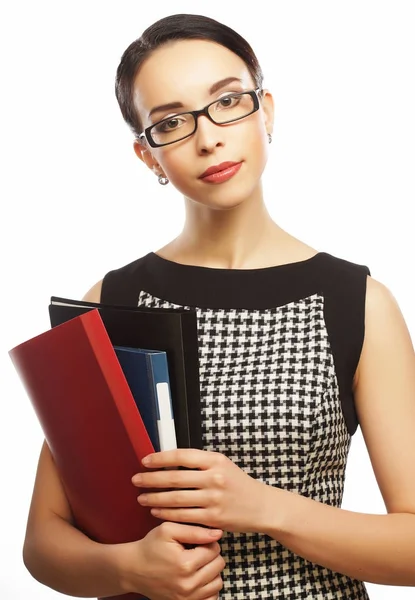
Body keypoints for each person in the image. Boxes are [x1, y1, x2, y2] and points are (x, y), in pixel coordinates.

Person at [22, 13, 415, 600]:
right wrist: (129, 571)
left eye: (229, 102)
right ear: (147, 156)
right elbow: (43, 543)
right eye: (172, 122)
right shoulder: (111, 301)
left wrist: (266, 507)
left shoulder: (356, 301)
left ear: (267, 111)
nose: (209, 138)